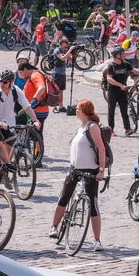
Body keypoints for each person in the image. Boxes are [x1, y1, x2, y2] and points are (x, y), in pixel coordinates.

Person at [48, 100, 106, 250]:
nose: (75, 110)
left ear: (83, 111)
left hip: (90, 171)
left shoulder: (92, 127)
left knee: (93, 204)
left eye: (77, 108)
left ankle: (97, 240)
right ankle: (54, 227)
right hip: (74, 169)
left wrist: (101, 170)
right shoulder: (81, 127)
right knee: (64, 197)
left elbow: (101, 149)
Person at [105, 46, 139, 136]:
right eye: (122, 54)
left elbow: (136, 71)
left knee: (124, 110)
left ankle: (127, 128)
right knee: (111, 110)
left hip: (123, 91)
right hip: (113, 91)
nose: (124, 55)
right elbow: (109, 79)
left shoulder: (126, 64)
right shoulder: (111, 66)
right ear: (117, 56)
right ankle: (110, 129)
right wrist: (120, 85)